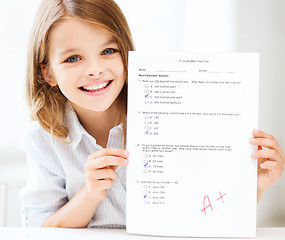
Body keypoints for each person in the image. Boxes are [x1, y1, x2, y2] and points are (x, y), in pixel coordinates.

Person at [20, 0, 285, 228]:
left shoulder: (170, 112)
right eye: (73, 58)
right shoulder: (43, 139)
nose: (95, 69)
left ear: (126, 53)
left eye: (108, 51)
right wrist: (90, 193)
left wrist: (255, 185)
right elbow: (41, 228)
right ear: (48, 72)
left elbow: (211, 212)